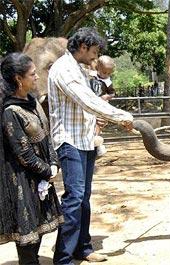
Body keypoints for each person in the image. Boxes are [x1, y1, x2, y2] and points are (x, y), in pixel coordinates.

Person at [48, 27, 133, 265]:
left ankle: (82, 248)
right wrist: (121, 116)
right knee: (74, 197)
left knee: (84, 197)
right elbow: (86, 100)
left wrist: (101, 117)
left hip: (85, 140)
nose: (95, 58)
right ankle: (63, 258)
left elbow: (90, 103)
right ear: (83, 48)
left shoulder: (80, 69)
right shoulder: (64, 70)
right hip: (69, 141)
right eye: (94, 52)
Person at [0, 53, 63, 264]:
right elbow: (23, 153)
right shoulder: (11, 111)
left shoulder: (32, 102)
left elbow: (46, 136)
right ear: (19, 78)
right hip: (22, 180)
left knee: (40, 228)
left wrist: (53, 162)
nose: (37, 77)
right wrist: (48, 170)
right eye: (33, 74)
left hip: (42, 177)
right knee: (27, 236)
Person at [89, 55, 116, 157]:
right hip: (91, 103)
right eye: (104, 72)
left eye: (109, 73)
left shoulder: (108, 82)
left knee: (99, 122)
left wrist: (106, 97)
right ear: (97, 68)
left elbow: (113, 94)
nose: (106, 75)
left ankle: (97, 142)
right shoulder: (91, 76)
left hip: (101, 105)